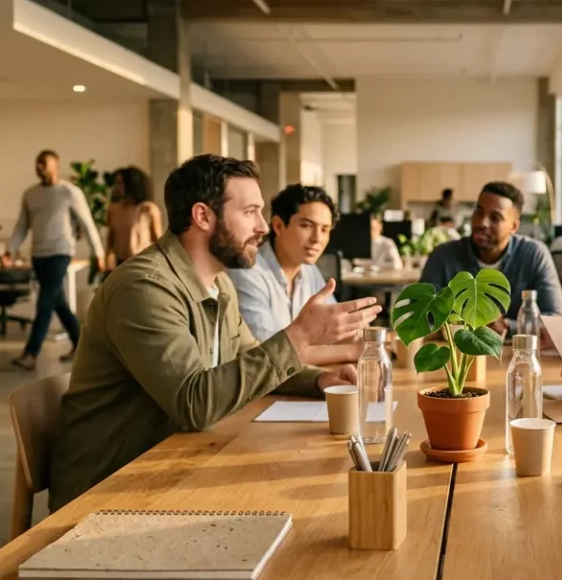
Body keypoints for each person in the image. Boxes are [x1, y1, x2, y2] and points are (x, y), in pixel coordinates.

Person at [49, 154, 381, 512]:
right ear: (203, 216)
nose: (263, 227)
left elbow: (250, 357)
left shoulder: (219, 283)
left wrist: (320, 380)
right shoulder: (144, 288)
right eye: (249, 212)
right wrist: (300, 336)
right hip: (108, 494)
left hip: (173, 468)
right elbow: (195, 404)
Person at [228, 184, 360, 366]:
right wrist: (353, 351)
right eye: (306, 225)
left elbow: (337, 328)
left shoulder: (309, 270)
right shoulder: (247, 272)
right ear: (278, 226)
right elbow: (271, 354)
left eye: (325, 229)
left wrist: (366, 338)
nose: (317, 239)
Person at [419, 181, 562, 337]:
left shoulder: (534, 255)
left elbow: (555, 319)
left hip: (515, 356)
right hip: (457, 357)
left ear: (514, 226)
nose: (482, 223)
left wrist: (508, 327)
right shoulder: (443, 256)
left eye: (495, 218)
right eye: (479, 212)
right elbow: (420, 316)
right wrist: (465, 324)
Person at [5, 149, 106, 370]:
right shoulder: (30, 194)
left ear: (55, 165)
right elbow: (22, 225)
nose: (39, 167)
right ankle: (83, 346)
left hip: (60, 253)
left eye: (43, 163)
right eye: (37, 163)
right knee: (58, 303)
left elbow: (87, 223)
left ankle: (31, 354)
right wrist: (10, 250)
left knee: (45, 302)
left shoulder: (70, 192)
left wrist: (98, 252)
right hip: (38, 254)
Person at [104, 166, 163, 269]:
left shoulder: (148, 209)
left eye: (120, 183)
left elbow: (158, 238)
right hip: (121, 262)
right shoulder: (114, 209)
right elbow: (111, 236)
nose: (117, 187)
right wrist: (107, 257)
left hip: (143, 262)